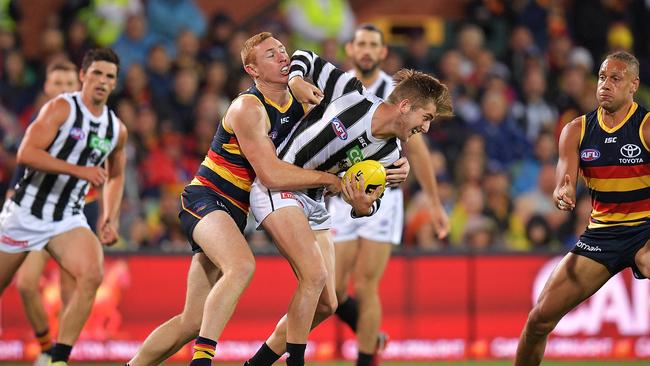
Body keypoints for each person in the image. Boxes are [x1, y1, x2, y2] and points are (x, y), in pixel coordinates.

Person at [126, 32, 345, 366]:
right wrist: (332, 181)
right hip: (206, 199)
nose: (283, 57)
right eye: (270, 55)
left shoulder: (300, 102)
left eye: (283, 51)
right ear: (251, 69)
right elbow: (271, 174)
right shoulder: (248, 106)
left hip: (234, 213)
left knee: (192, 321)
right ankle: (202, 361)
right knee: (241, 265)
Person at [244, 48, 453, 366]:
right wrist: (297, 79)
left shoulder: (387, 156)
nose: (425, 128)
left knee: (328, 302)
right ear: (405, 105)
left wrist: (361, 206)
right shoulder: (352, 93)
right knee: (313, 277)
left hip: (313, 201)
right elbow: (305, 57)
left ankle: (256, 364)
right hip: (279, 182)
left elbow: (369, 202)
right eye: (425, 118)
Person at [515, 51, 650, 365]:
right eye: (603, 77)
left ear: (634, 85)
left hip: (645, 231)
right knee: (539, 321)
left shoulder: (645, 127)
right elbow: (565, 178)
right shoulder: (576, 130)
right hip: (601, 237)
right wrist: (563, 189)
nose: (606, 84)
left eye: (616, 79)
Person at [330, 24, 450, 366]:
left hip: (384, 200)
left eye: (373, 45)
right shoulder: (341, 87)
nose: (366, 50)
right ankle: (369, 331)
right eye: (361, 44)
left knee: (367, 285)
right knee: (333, 292)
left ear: (383, 53)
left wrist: (435, 203)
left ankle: (366, 358)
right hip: (342, 195)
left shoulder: (396, 92)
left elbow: (420, 151)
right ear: (350, 50)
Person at [0, 47, 127, 366]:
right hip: (25, 212)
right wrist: (80, 171)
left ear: (114, 83)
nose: (102, 81)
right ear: (83, 76)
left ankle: (57, 358)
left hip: (66, 218)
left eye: (109, 76)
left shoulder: (116, 129)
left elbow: (117, 175)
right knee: (19, 285)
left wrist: (110, 217)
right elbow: (26, 153)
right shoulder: (61, 108)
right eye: (96, 73)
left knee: (92, 274)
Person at [5, 60, 91, 366]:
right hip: (34, 215)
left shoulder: (88, 126)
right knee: (27, 284)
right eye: (57, 83)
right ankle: (45, 346)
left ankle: (61, 355)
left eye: (69, 83)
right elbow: (23, 166)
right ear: (47, 87)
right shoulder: (40, 123)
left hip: (69, 216)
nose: (63, 89)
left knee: (72, 286)